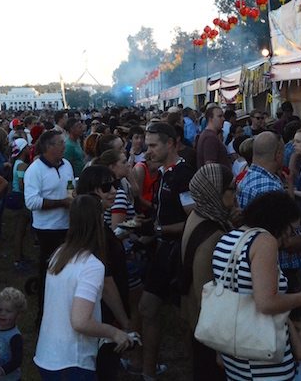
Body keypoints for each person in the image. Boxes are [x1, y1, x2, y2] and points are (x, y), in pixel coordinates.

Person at [211, 191, 301, 381]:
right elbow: (266, 303)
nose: (290, 238)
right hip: (262, 358)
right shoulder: (264, 242)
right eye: (292, 230)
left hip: (234, 349)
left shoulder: (230, 238)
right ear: (279, 223)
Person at [34, 195, 136, 380]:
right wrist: (115, 332)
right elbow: (80, 322)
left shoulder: (59, 254)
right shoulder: (91, 265)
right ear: (99, 220)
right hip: (72, 362)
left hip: (47, 356)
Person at [139, 121, 196, 381]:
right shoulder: (164, 171)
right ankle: (148, 373)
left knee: (184, 320)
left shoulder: (183, 175)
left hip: (178, 253)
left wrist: (159, 231)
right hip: (163, 250)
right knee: (146, 308)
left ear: (170, 144)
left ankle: (201, 369)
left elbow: (193, 221)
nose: (147, 151)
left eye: (152, 145)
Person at [238, 131, 301, 290]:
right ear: (277, 155)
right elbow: (283, 241)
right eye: (283, 152)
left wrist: (300, 231)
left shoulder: (249, 178)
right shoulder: (269, 188)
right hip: (277, 270)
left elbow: (269, 226)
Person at [76, 165, 133, 381]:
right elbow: (106, 283)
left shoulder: (98, 225)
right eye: (106, 187)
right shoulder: (96, 234)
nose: (114, 191)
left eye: (115, 185)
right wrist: (125, 324)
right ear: (91, 192)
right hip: (103, 315)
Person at [180, 164, 235, 381]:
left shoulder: (198, 215)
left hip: (196, 324)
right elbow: (207, 294)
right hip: (209, 333)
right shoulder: (213, 234)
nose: (236, 193)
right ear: (216, 193)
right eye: (232, 188)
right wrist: (219, 349)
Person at [23, 130, 74, 324]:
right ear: (48, 147)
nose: (64, 146)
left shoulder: (66, 165)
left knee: (68, 271)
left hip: (68, 226)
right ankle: (43, 316)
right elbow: (32, 202)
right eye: (60, 143)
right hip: (47, 230)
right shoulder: (35, 170)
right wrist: (62, 203)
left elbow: (70, 187)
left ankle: (66, 312)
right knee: (49, 272)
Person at [8, 138, 32, 271]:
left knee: (20, 231)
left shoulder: (16, 163)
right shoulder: (22, 165)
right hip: (21, 199)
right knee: (20, 231)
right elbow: (22, 185)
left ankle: (20, 256)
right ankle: (17, 261)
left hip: (18, 198)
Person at [196, 104, 231, 169]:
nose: (223, 119)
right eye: (219, 116)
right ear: (210, 119)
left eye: (223, 116)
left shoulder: (209, 135)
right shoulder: (210, 138)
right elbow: (210, 168)